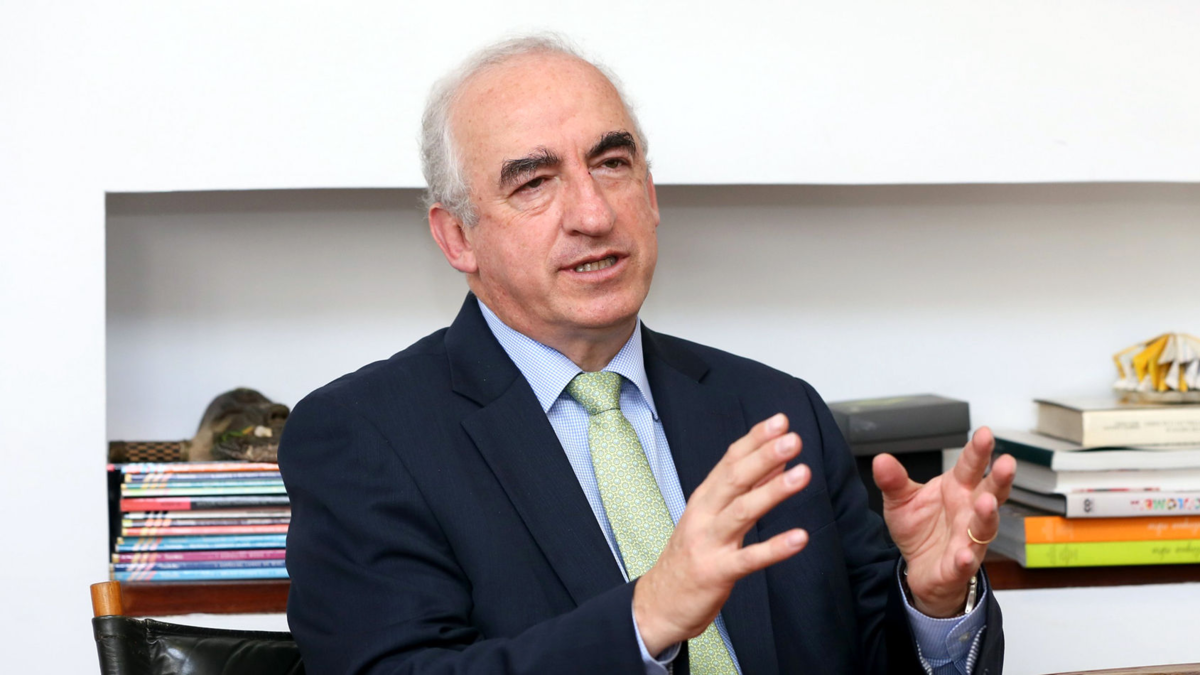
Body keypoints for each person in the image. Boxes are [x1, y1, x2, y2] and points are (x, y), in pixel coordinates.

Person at [279, 35, 1016, 675]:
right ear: (457, 237)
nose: (593, 213)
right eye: (533, 182)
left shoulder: (774, 408)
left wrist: (932, 602)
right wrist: (648, 616)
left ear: (651, 194)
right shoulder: (364, 436)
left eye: (611, 164)